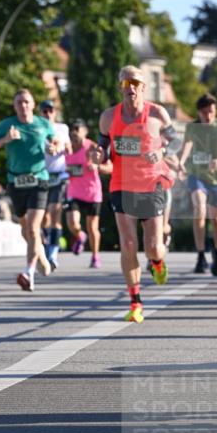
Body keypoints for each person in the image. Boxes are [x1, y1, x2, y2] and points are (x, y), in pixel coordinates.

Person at [94, 65, 178, 324]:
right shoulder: (109, 118)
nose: (130, 86)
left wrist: (162, 152)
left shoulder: (157, 114)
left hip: (151, 183)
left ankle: (157, 263)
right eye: (124, 82)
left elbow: (175, 141)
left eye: (135, 82)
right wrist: (99, 155)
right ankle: (135, 302)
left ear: (143, 87)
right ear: (120, 87)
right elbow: (103, 149)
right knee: (129, 243)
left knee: (153, 246)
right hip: (121, 184)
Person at [0, 89, 56, 292]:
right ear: (15, 107)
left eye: (26, 102)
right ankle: (41, 256)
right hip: (16, 182)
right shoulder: (7, 125)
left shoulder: (43, 124)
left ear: (33, 104)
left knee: (32, 228)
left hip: (39, 180)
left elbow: (55, 141)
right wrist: (4, 139)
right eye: (19, 103)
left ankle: (29, 273)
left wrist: (53, 148)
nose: (23, 106)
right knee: (26, 230)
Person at [177, 93, 217, 276]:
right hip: (197, 174)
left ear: (215, 110)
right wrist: (182, 160)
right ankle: (201, 255)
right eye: (204, 113)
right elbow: (187, 144)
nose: (208, 116)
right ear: (199, 112)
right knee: (199, 207)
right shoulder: (193, 127)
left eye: (211, 112)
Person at [64, 120, 110, 268]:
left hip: (92, 193)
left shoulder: (91, 147)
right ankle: (79, 236)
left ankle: (95, 256)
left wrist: (96, 166)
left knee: (92, 227)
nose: (74, 132)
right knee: (72, 223)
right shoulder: (66, 148)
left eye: (77, 128)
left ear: (85, 131)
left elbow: (109, 167)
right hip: (74, 192)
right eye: (71, 129)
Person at [39, 99, 70, 270]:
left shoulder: (62, 128)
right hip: (41, 175)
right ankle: (46, 246)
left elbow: (67, 145)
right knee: (43, 217)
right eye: (44, 111)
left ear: (55, 112)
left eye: (50, 111)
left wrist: (60, 149)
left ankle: (53, 254)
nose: (48, 114)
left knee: (54, 213)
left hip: (59, 175)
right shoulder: (36, 128)